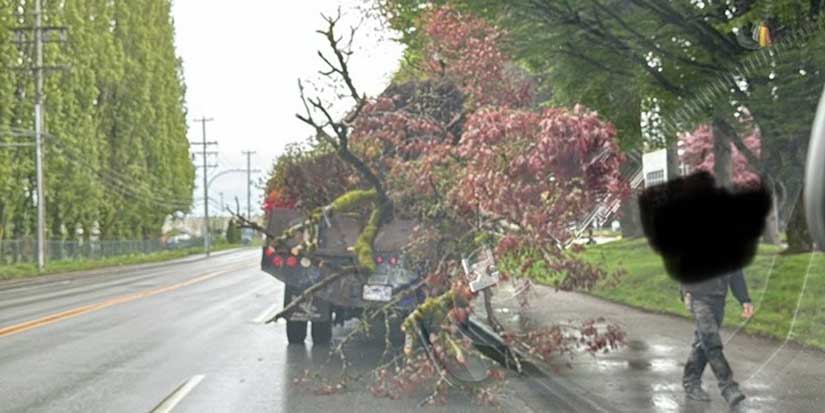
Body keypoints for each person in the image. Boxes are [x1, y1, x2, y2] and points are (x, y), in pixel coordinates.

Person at [681, 269, 754, 406]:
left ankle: (690, 382)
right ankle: (728, 387)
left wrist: (744, 300)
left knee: (703, 342)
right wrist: (686, 292)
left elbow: (736, 275)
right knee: (711, 342)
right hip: (698, 299)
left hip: (718, 300)